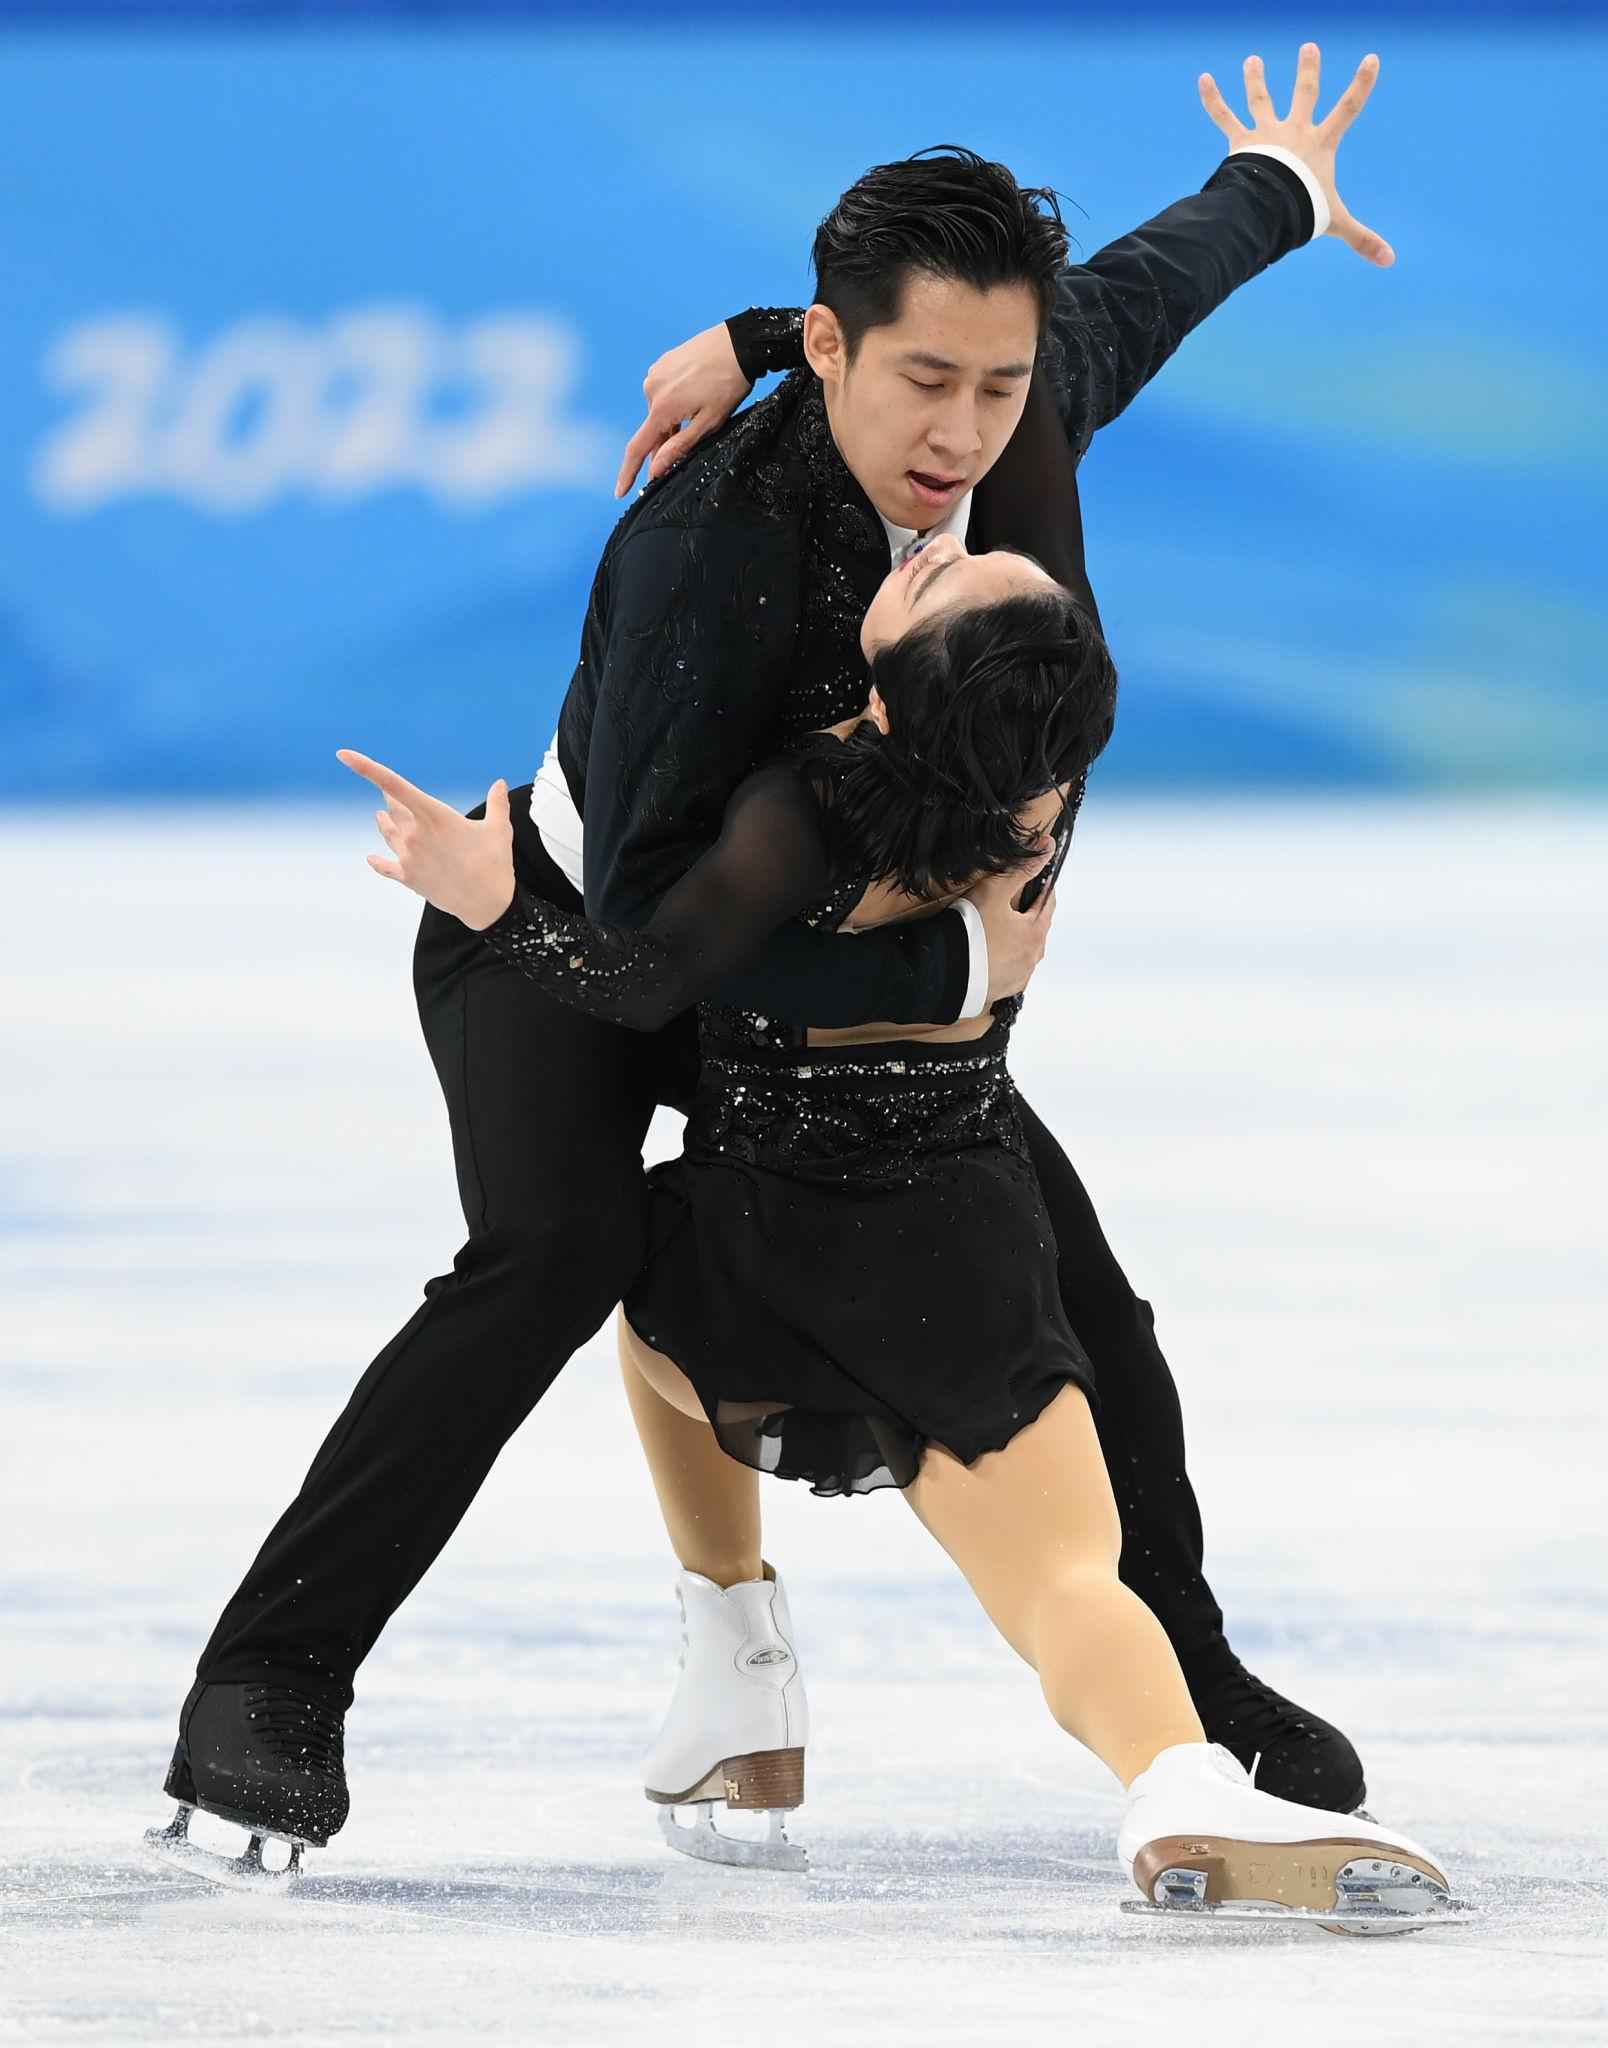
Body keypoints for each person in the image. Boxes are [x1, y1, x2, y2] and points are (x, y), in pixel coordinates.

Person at [151, 47, 1392, 1879]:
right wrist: (941, 963)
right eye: (923, 381)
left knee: (1082, 1291)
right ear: (832, 353)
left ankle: (1186, 1692)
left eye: (998, 384)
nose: (963, 432)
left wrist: (1278, 181)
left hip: (836, 963)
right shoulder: (709, 549)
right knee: (559, 1252)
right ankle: (268, 1688)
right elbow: (652, 938)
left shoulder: (1021, 403)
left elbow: (1157, 281)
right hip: (576, 926)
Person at [338, 543, 1459, 1930]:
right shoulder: (1039, 793)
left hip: (754, 1250)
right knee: (1065, 1577)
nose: (940, 544)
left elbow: (643, 980)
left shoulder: (795, 809)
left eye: (943, 579)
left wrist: (494, 899)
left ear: (895, 685)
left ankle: (736, 1648)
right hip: (961, 1252)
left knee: (629, 1273)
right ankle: (1175, 1776)